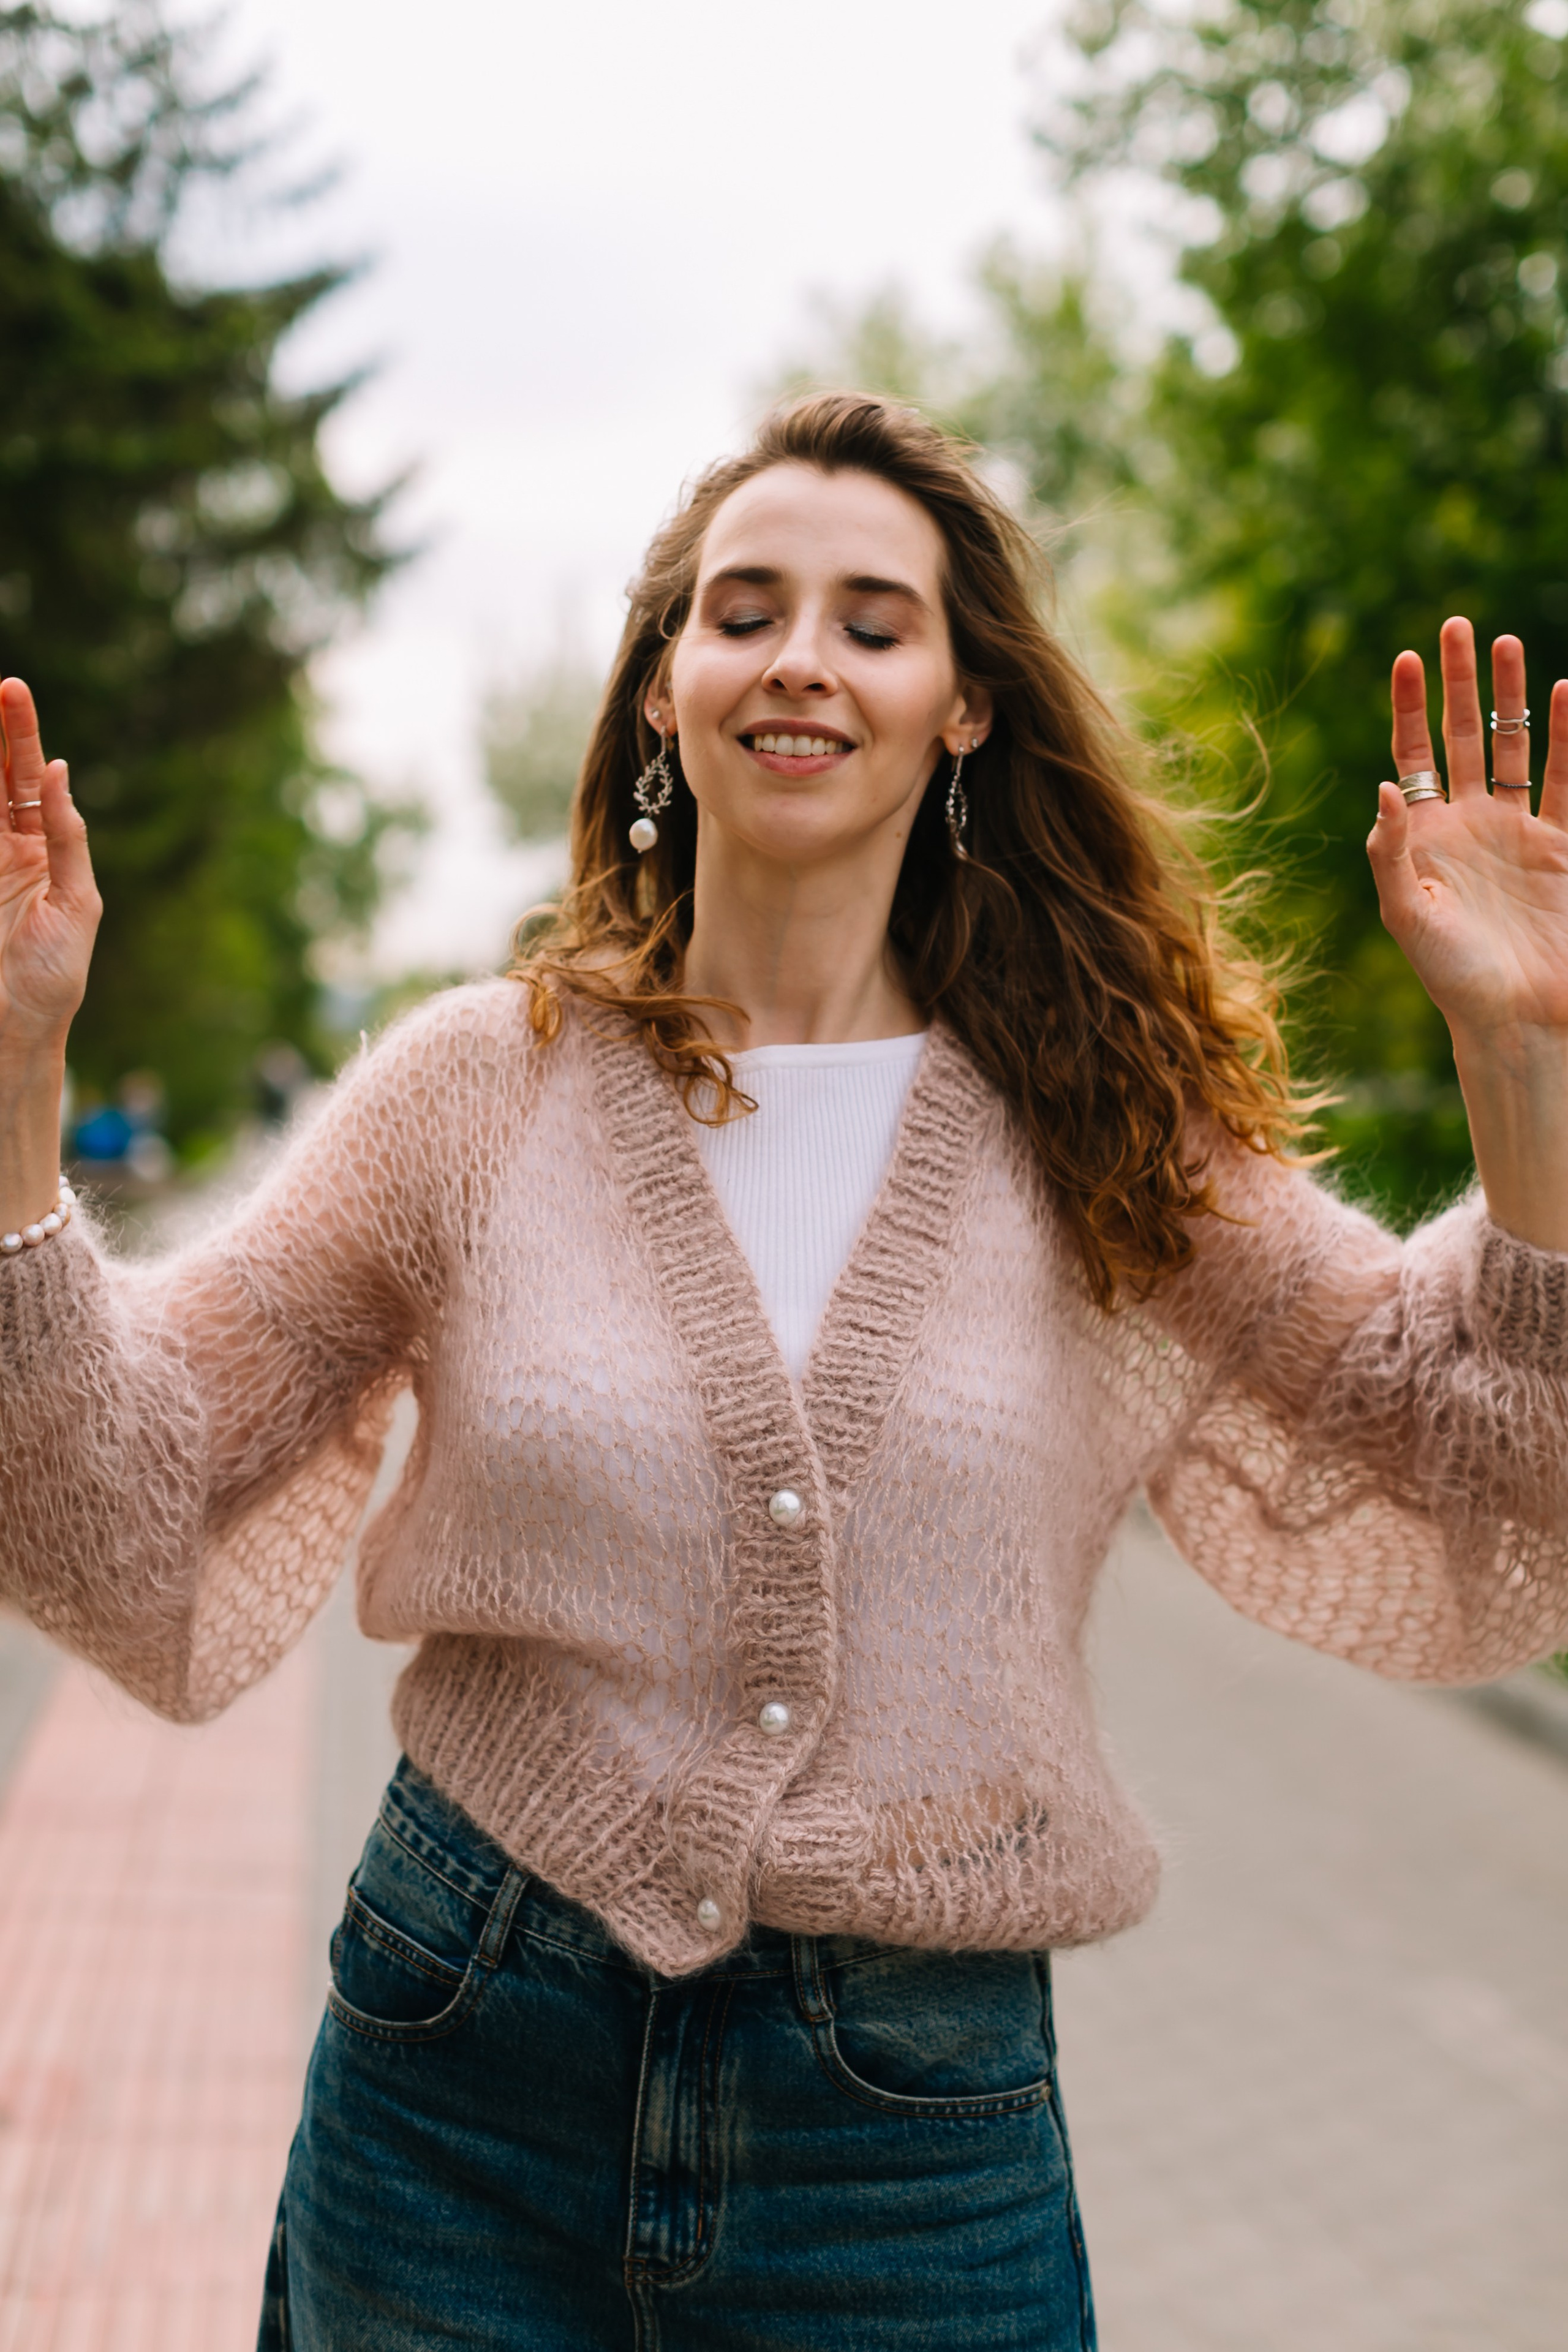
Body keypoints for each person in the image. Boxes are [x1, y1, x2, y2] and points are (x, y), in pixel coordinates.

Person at [2, 393, 1567, 2352]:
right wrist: (16, 1085)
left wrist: (1523, 1062)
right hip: (461, 2063)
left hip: (912, 2146)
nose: (800, 657)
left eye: (872, 619)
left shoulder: (1115, 1137)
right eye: (743, 610)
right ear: (667, 691)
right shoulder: (477, 1092)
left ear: (965, 703)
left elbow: (1481, 1462)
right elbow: (120, 1498)